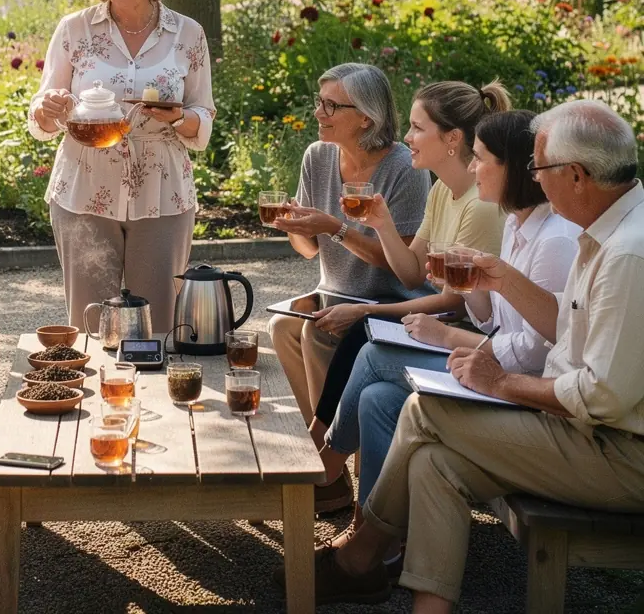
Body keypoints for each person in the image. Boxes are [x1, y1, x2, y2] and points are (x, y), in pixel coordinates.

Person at [313, 99, 644, 611]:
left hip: (619, 452)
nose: (535, 178)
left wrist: (500, 383)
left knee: (424, 408)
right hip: (589, 429)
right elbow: (566, 327)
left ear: (576, 176)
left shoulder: (624, 252)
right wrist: (502, 279)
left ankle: (359, 552)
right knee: (433, 460)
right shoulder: (604, 231)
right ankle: (402, 588)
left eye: (540, 168)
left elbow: (600, 397)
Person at [303, 79, 512, 460]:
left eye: (417, 128)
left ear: (452, 139)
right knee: (357, 352)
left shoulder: (478, 206)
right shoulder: (441, 191)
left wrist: (366, 309)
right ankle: (331, 470)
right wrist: (383, 225)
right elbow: (413, 274)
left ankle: (321, 460)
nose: (406, 136)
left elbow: (454, 303)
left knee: (362, 337)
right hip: (447, 325)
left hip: (468, 338)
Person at [29, 0, 215, 333]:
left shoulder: (188, 34)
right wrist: (49, 107)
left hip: (162, 192)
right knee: (91, 325)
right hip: (84, 190)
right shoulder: (73, 30)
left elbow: (203, 115)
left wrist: (180, 117)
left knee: (159, 325)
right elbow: (42, 110)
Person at [268, 64, 431, 434]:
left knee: (316, 332)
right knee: (280, 327)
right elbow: (309, 249)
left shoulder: (404, 167)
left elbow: (399, 265)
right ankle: (320, 447)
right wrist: (292, 225)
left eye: (330, 106)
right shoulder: (318, 156)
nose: (318, 113)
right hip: (334, 295)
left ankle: (329, 451)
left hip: (391, 301)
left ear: (365, 118)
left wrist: (335, 228)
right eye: (319, 102)